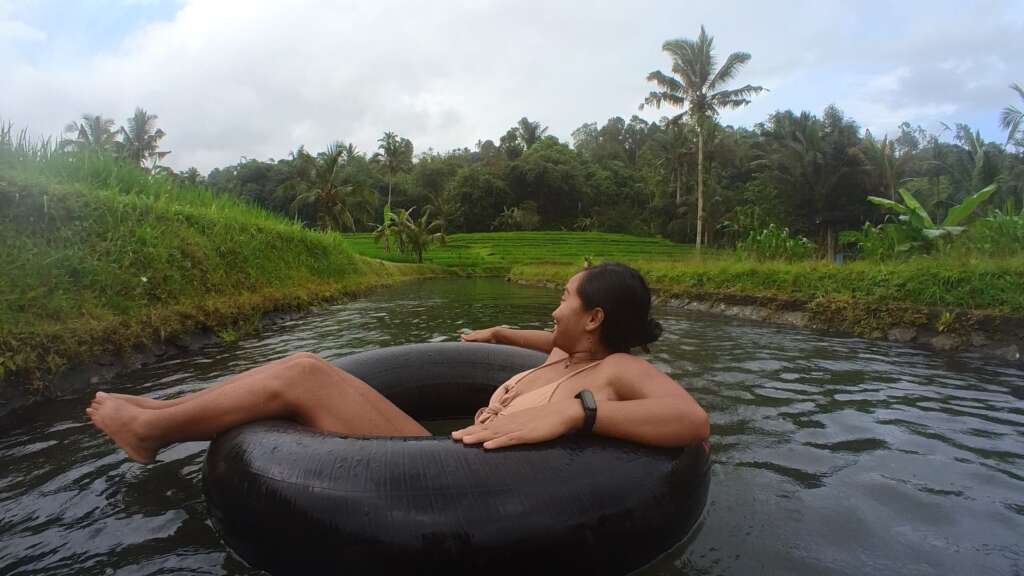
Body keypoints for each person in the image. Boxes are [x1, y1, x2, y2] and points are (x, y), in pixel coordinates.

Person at [87, 262, 709, 464]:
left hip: (467, 481)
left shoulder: (617, 372)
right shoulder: (561, 354)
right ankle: (168, 411)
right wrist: (496, 330)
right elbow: (538, 340)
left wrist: (578, 416)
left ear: (596, 318)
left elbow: (691, 421)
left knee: (306, 371)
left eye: (565, 299)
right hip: (451, 453)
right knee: (302, 369)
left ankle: (154, 430)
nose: (554, 307)